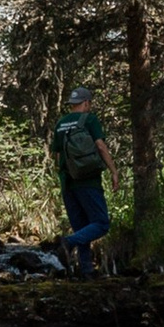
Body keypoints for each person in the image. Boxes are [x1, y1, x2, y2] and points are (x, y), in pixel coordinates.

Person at [51, 86, 114, 275]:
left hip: (67, 183)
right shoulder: (90, 119)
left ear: (72, 104)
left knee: (81, 228)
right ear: (86, 103)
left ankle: (86, 271)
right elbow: (100, 147)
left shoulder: (61, 124)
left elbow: (56, 155)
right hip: (88, 181)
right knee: (101, 224)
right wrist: (113, 171)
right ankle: (67, 243)